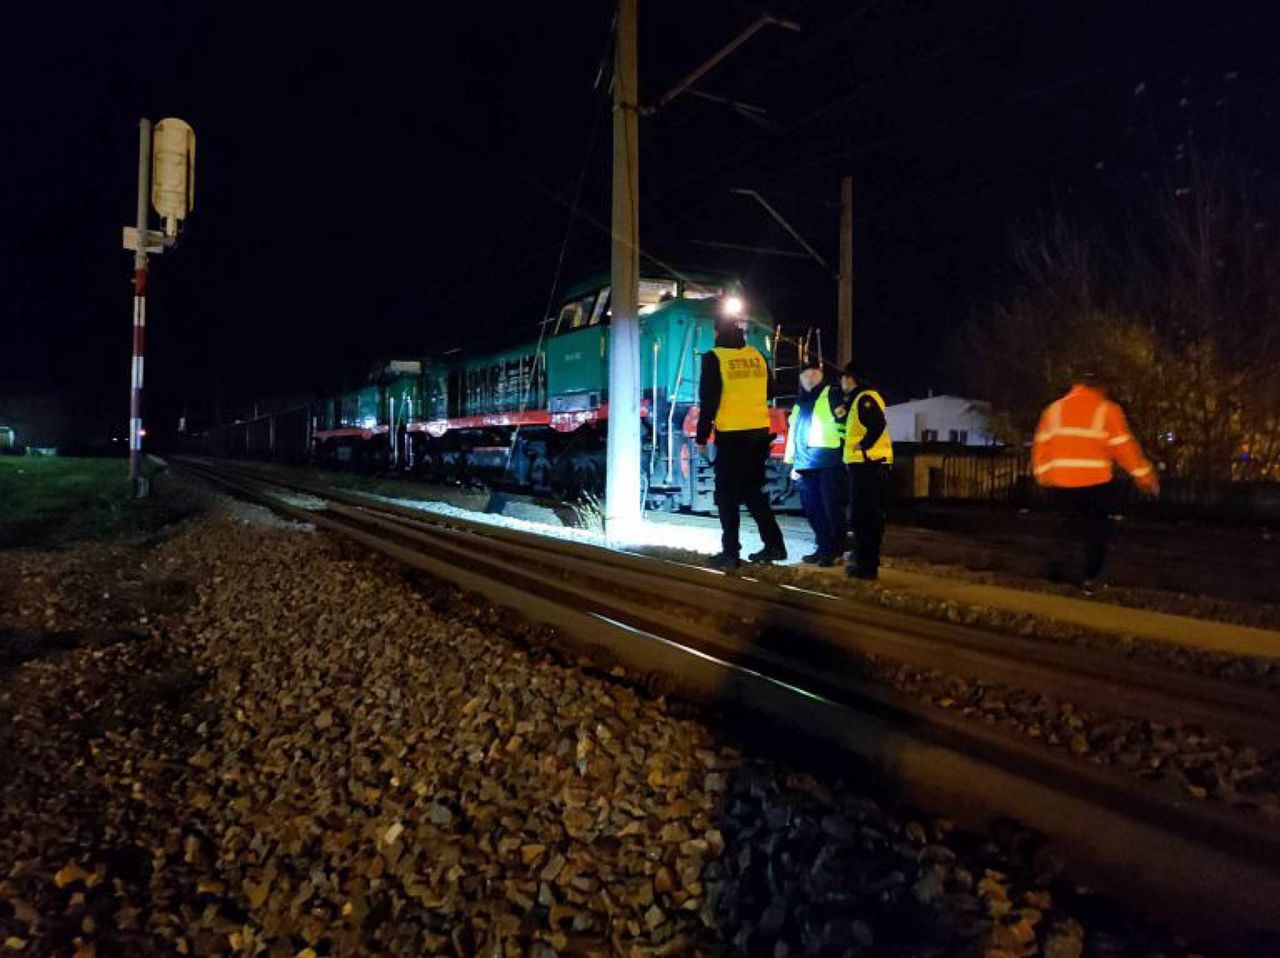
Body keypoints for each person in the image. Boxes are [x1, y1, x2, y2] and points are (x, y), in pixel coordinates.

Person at [1032, 376, 1159, 590]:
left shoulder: (1053, 411)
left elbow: (1041, 447)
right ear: (1101, 387)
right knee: (1096, 533)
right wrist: (1145, 477)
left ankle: (1056, 578)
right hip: (1095, 483)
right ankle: (1089, 578)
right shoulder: (1107, 410)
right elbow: (1124, 449)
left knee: (1065, 530)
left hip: (1061, 484)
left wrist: (1043, 477)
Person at [696, 316, 787, 571]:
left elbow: (709, 402)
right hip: (758, 434)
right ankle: (775, 545)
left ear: (716, 332)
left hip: (732, 435)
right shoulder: (756, 354)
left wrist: (701, 438)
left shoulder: (714, 357)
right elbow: (771, 391)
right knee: (753, 492)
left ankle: (730, 552)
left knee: (726, 495)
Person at [783, 364, 847, 566]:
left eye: (814, 373)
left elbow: (844, 424)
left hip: (828, 462)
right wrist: (792, 463)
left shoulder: (832, 394)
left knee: (831, 508)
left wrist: (846, 455)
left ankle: (834, 550)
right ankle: (823, 547)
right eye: (805, 374)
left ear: (821, 376)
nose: (809, 377)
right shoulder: (800, 402)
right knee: (812, 509)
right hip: (804, 464)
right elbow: (793, 434)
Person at [840, 365, 893, 580]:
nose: (841, 383)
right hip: (867, 465)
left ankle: (866, 566)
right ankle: (865, 562)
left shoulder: (865, 398)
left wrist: (862, 445)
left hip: (869, 465)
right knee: (866, 518)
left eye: (843, 378)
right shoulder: (860, 399)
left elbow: (877, 424)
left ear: (851, 379)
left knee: (864, 518)